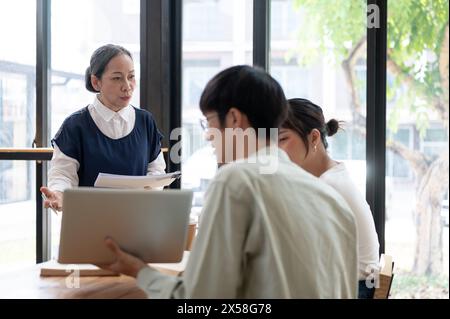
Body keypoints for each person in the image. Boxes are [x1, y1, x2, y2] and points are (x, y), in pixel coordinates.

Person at [99, 65, 358, 298]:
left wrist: (140, 271)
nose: (209, 136)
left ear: (234, 119)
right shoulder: (332, 201)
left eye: (209, 122)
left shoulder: (236, 181)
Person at [40, 44, 166, 211]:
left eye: (131, 76)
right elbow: (63, 174)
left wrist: (144, 195)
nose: (127, 86)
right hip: (89, 221)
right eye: (117, 78)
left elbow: (156, 169)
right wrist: (60, 195)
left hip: (136, 218)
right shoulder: (75, 125)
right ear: (96, 82)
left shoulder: (145, 121)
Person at [278, 98, 380, 299]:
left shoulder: (327, 186)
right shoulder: (331, 175)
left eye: (282, 139)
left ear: (314, 138)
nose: (275, 150)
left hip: (352, 290)